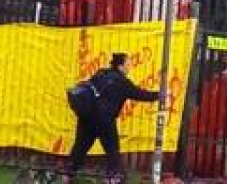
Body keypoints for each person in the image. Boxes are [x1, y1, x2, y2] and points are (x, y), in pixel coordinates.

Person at [67, 53, 160, 181]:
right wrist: (159, 95)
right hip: (105, 121)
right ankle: (112, 178)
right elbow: (141, 94)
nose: (129, 67)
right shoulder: (122, 82)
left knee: (80, 147)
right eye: (127, 65)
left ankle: (68, 174)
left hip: (87, 117)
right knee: (112, 151)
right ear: (120, 66)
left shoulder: (101, 73)